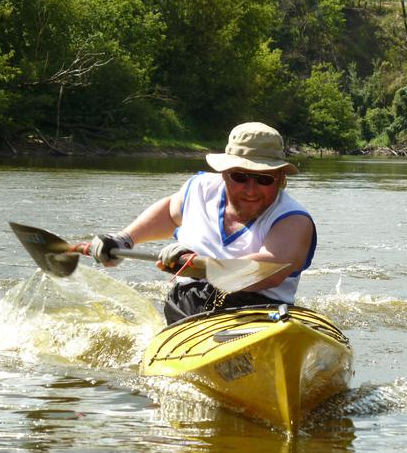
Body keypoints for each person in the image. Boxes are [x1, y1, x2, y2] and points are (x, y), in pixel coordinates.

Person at [90, 122, 316, 324]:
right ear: (224, 173)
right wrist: (123, 240)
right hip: (186, 306)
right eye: (240, 176)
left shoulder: (294, 219)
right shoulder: (200, 188)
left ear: (280, 179)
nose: (251, 190)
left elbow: (269, 270)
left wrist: (197, 265)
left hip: (259, 313)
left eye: (264, 179)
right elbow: (169, 214)